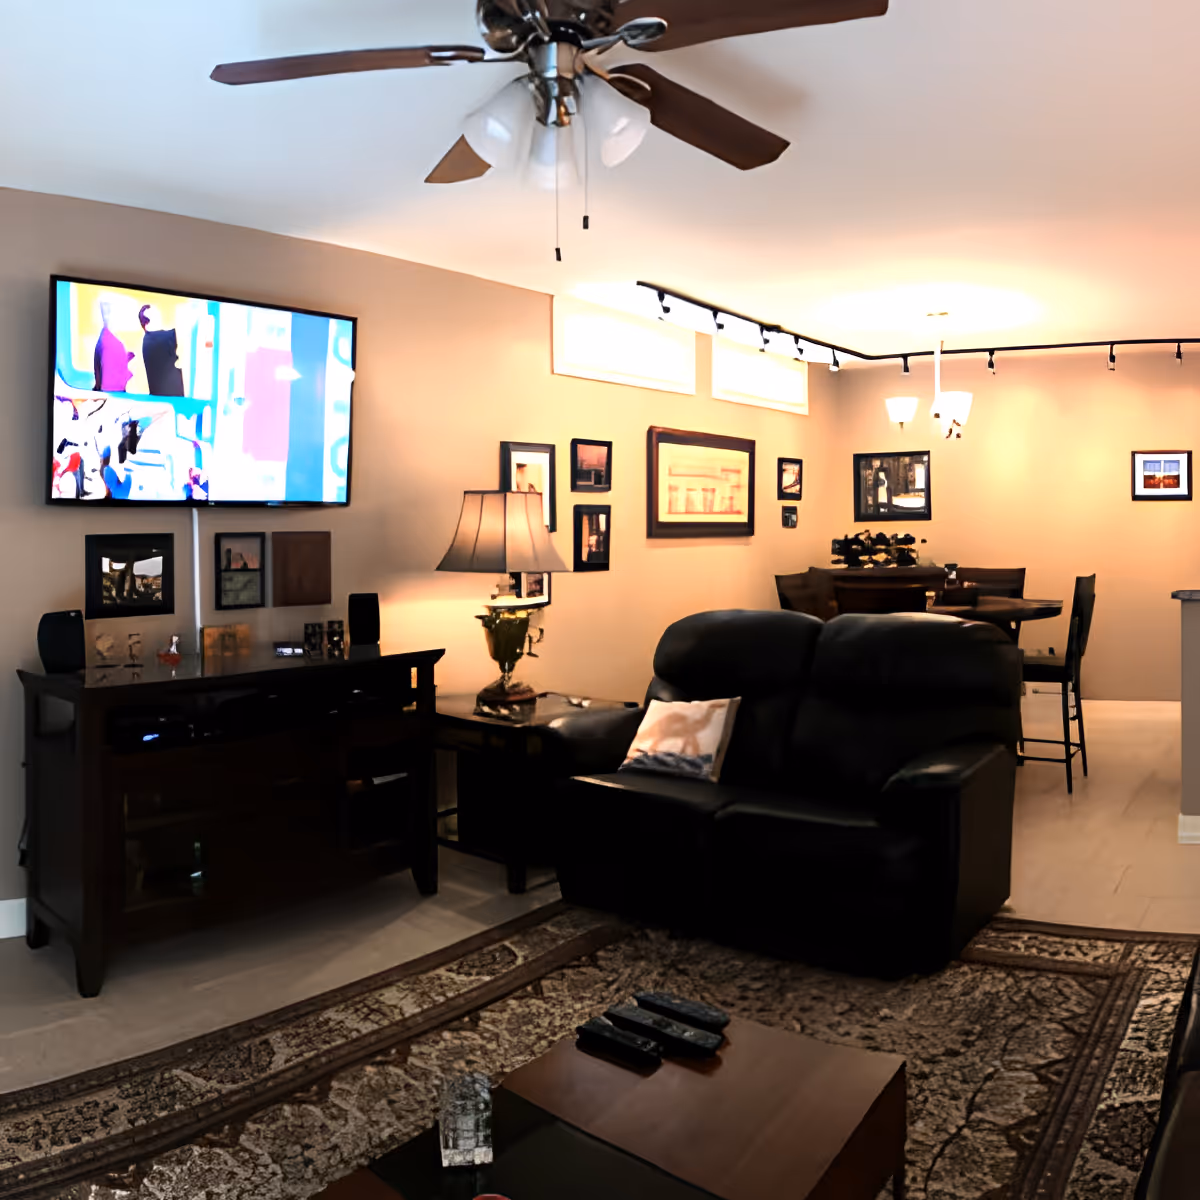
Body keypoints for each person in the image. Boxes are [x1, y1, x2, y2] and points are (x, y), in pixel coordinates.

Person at [138, 304, 185, 396]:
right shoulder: (160, 339)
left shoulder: (148, 340)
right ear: (147, 324)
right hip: (171, 396)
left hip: (162, 395)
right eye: (155, 316)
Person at [93, 300, 135, 392]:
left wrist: (124, 360)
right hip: (113, 396)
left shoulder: (107, 340)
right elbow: (111, 383)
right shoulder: (110, 343)